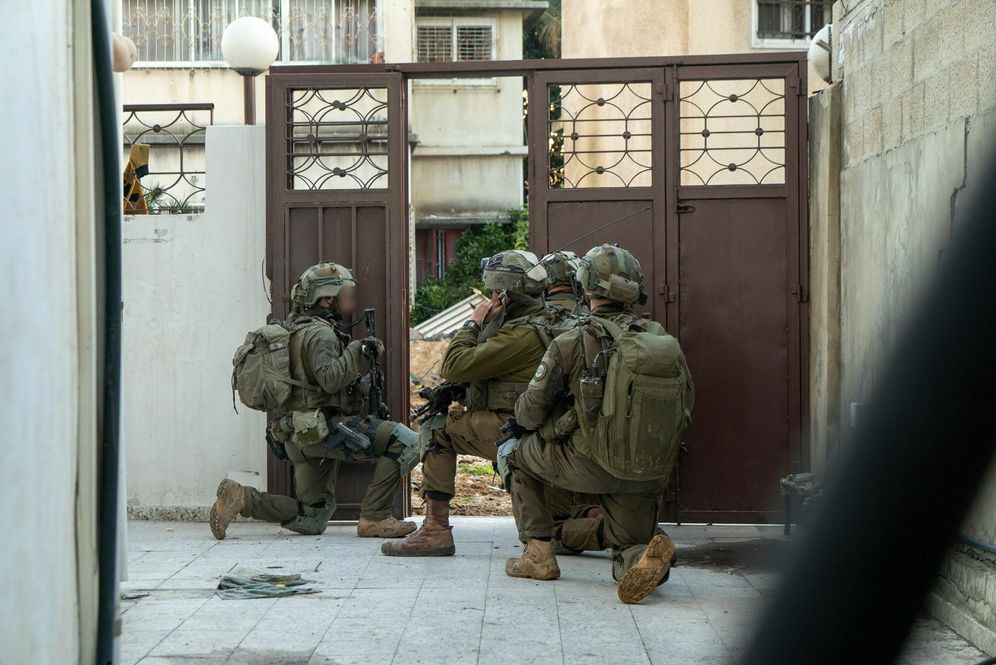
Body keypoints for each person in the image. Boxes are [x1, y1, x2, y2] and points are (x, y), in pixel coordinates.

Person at [498, 244, 694, 604]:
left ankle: (538, 555)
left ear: (585, 286)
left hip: (589, 463)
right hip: (647, 470)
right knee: (629, 546)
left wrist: (522, 426)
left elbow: (531, 409)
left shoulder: (573, 339)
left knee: (511, 452)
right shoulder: (659, 339)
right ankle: (641, 558)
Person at [381, 250, 604, 557]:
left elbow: (455, 364)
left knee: (436, 429)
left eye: (493, 292)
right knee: (554, 530)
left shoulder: (521, 333)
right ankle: (624, 532)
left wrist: (473, 324)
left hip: (517, 431)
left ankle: (435, 529)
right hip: (558, 433)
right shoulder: (555, 320)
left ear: (502, 293)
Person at [210, 261, 420, 540]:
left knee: (312, 518)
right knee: (409, 442)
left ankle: (242, 499)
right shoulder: (320, 333)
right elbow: (330, 379)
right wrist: (358, 347)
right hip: (323, 431)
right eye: (347, 296)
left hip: (299, 435)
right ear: (327, 299)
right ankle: (375, 517)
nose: (351, 303)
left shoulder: (296, 329)